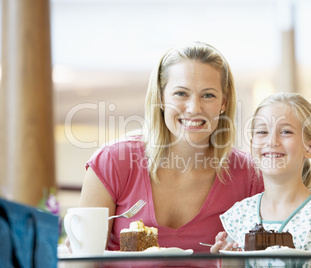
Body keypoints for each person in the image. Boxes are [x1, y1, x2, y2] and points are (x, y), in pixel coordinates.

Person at [77, 42, 264, 253]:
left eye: (208, 95)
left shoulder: (250, 176)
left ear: (224, 102)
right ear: (161, 98)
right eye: (181, 94)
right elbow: (84, 260)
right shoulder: (112, 162)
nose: (194, 108)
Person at [210, 92, 311, 255]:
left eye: (285, 132)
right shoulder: (238, 217)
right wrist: (227, 260)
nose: (271, 141)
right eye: (262, 132)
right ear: (252, 144)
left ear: (310, 147)